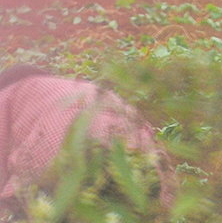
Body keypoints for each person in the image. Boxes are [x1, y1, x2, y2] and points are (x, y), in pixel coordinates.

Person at [0, 65, 175, 208]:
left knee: (35, 220)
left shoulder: (4, 97)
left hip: (63, 135)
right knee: (141, 208)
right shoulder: (51, 86)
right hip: (122, 122)